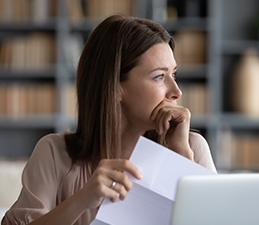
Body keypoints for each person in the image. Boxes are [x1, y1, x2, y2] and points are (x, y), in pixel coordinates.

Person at [1, 15, 217, 225]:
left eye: (174, 75)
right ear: (114, 87)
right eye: (159, 76)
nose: (176, 91)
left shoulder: (192, 149)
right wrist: (81, 201)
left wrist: (182, 163)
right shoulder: (54, 153)